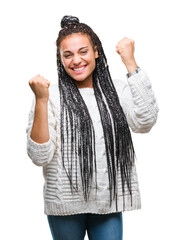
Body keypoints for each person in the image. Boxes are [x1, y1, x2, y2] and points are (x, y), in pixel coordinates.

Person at [26, 15, 159, 240]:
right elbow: (40, 156)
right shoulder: (50, 95)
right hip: (65, 203)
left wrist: (130, 62)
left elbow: (145, 121)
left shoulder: (115, 90)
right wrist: (41, 100)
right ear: (60, 59)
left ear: (96, 51)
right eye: (67, 55)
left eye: (83, 51)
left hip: (107, 202)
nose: (76, 60)